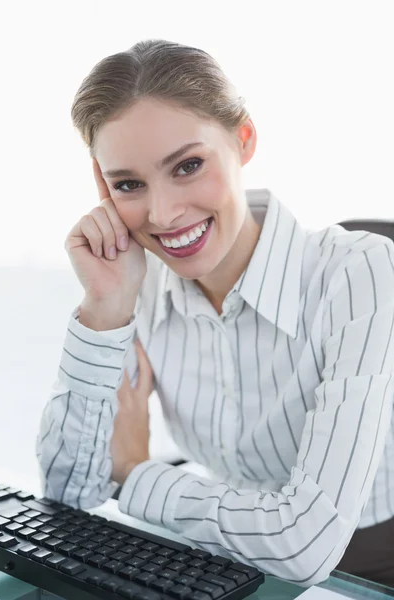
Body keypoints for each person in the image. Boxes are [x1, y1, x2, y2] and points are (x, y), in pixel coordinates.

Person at [36, 39, 394, 588]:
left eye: (188, 165)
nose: (162, 213)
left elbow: (306, 545)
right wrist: (103, 310)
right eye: (128, 184)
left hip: (370, 570)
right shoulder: (138, 288)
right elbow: (67, 497)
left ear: (243, 139)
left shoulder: (359, 271)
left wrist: (135, 475)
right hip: (224, 567)